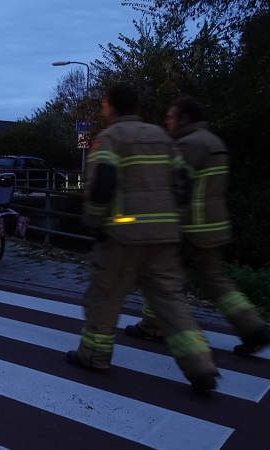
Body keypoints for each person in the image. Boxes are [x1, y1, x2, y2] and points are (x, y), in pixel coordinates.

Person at [65, 84, 220, 395]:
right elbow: (183, 181)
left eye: (104, 105)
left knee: (105, 296)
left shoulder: (110, 138)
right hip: (164, 235)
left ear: (110, 107)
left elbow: (103, 183)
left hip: (123, 235)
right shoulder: (163, 138)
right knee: (170, 301)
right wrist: (172, 215)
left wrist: (95, 221)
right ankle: (201, 366)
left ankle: (93, 356)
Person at [124, 97, 270, 355]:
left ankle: (153, 326)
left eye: (171, 117)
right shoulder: (214, 141)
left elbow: (176, 187)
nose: (167, 122)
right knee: (216, 282)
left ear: (184, 119)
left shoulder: (188, 145)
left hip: (190, 228)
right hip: (215, 225)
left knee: (160, 278)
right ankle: (253, 327)